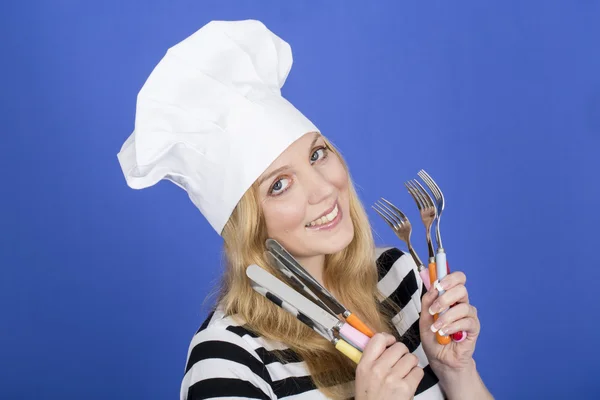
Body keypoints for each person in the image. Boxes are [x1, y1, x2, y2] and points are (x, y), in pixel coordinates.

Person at [117, 20, 493, 400]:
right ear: (248, 224)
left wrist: (455, 371)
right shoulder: (227, 360)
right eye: (279, 185)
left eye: (317, 154)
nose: (323, 188)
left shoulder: (399, 277)